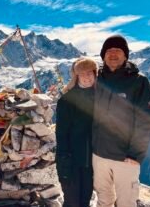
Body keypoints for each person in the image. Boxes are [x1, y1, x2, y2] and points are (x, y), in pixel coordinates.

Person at [92, 35, 150, 207]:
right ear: (103, 55)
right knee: (103, 200)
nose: (113, 54)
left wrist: (136, 154)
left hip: (125, 158)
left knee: (126, 202)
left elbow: (145, 120)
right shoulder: (95, 79)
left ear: (125, 55)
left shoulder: (138, 82)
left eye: (117, 50)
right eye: (109, 51)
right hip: (98, 155)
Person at [56, 57, 97, 207]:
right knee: (72, 202)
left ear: (95, 74)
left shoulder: (101, 98)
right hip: (71, 160)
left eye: (90, 73)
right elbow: (61, 134)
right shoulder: (67, 100)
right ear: (76, 76)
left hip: (91, 161)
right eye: (82, 73)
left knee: (85, 200)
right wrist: (63, 162)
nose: (87, 77)